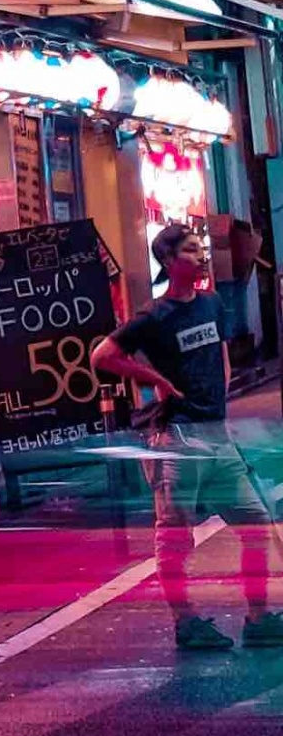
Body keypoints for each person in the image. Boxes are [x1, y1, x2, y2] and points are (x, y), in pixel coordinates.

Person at [93, 219, 283, 653]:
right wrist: (152, 376)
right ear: (167, 260)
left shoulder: (212, 304)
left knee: (255, 525)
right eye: (191, 251)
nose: (200, 257)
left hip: (217, 436)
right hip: (177, 441)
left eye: (201, 250)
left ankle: (258, 617)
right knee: (176, 538)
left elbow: (219, 351)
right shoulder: (154, 317)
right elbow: (103, 355)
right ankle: (186, 623)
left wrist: (221, 397)